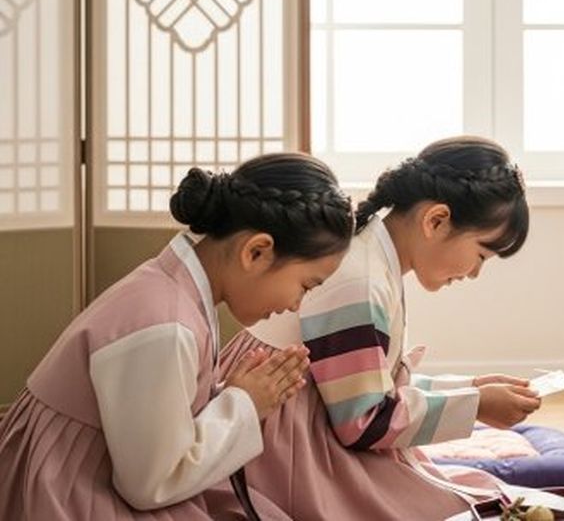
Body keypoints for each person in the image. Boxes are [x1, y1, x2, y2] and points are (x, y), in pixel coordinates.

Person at [0, 153, 355, 520]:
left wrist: (229, 394)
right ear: (257, 252)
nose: (297, 305)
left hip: (98, 470)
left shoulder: (175, 289)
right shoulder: (164, 322)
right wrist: (243, 403)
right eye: (305, 286)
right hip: (69, 487)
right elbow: (151, 483)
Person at [221, 136, 539, 520]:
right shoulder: (361, 279)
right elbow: (364, 422)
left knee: (486, 498)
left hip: (316, 424)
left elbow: (364, 383)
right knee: (468, 508)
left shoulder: (371, 253)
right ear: (435, 220)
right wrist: (476, 405)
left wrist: (471, 389)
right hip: (290, 449)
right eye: (481, 254)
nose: (474, 272)